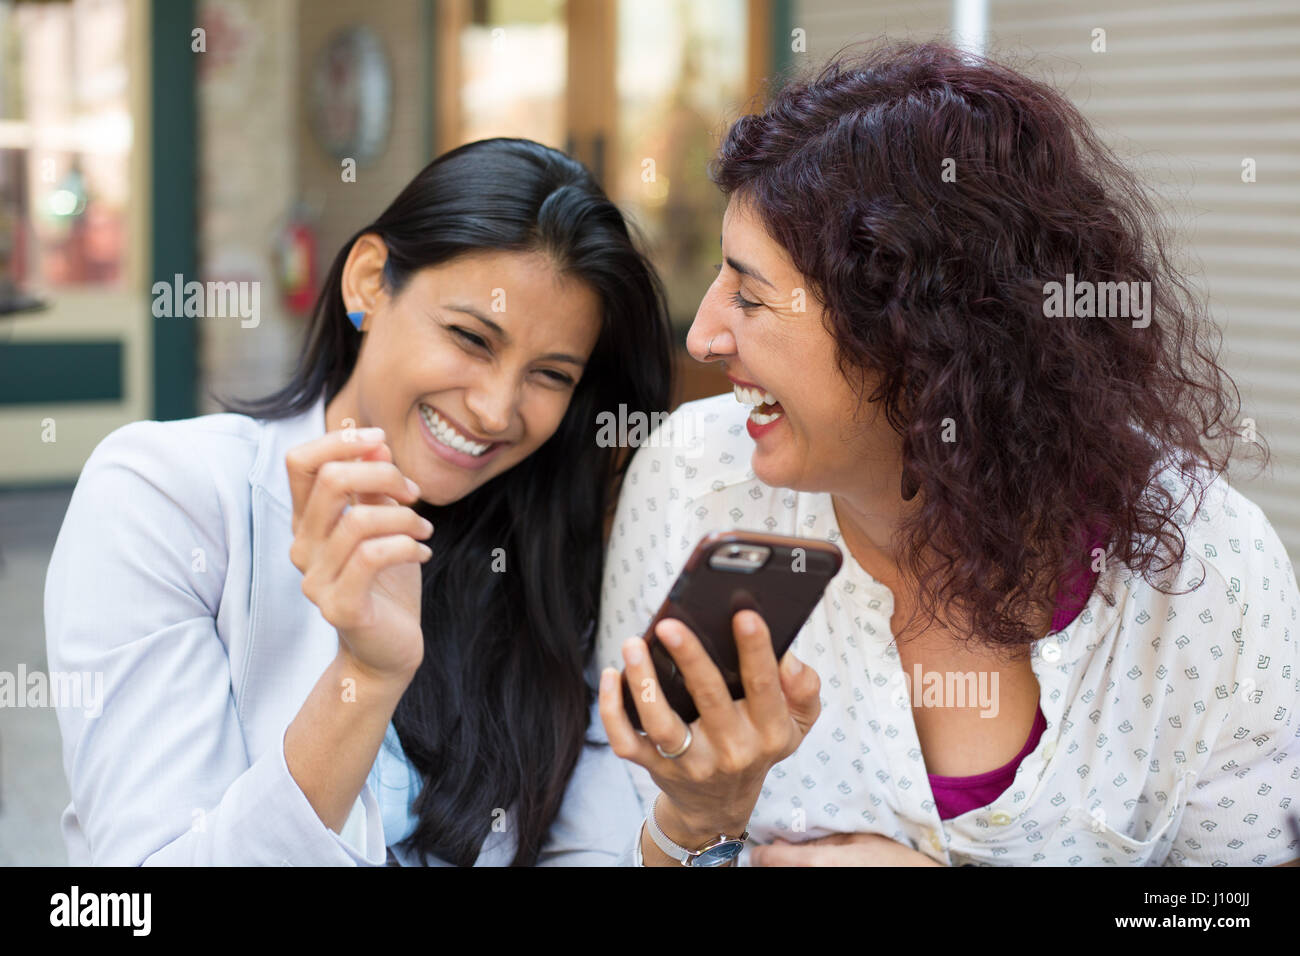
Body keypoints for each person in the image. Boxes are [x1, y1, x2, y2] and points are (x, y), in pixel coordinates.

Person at [595, 41, 1300, 867]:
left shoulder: (1206, 566)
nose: (703, 336)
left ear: (924, 340)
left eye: (750, 296)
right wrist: (700, 826)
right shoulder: (690, 480)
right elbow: (606, 842)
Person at [44, 138, 673, 865]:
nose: (497, 409)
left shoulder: (542, 551)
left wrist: (695, 823)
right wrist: (364, 678)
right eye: (471, 337)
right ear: (370, 283)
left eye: (551, 375)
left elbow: (590, 850)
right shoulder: (167, 497)